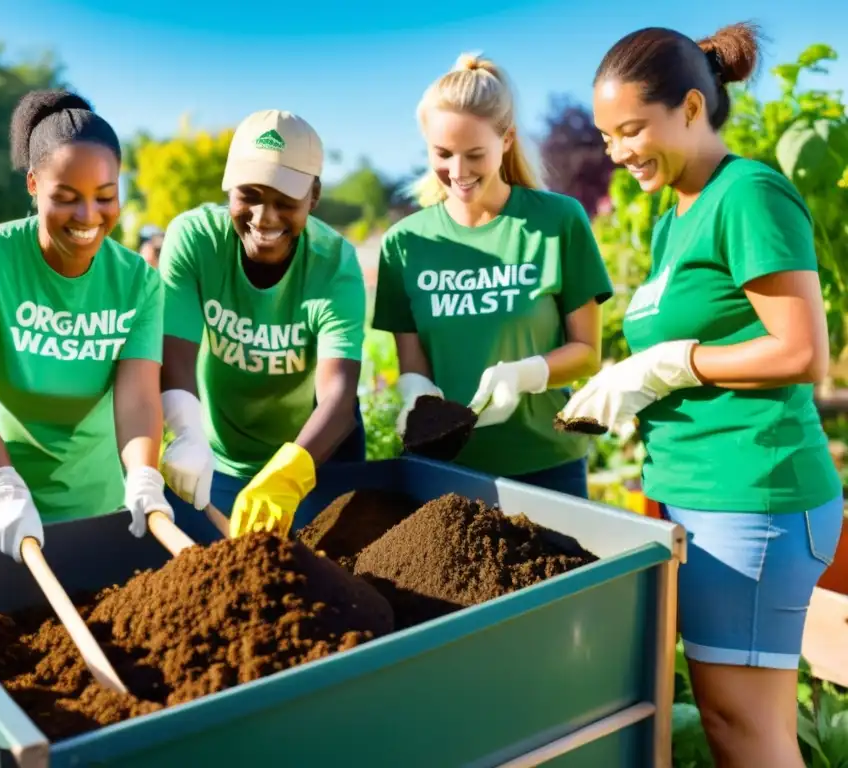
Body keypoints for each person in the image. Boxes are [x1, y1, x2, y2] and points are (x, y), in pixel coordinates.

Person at [559, 23, 842, 767]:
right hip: (696, 494)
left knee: (747, 734)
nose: (618, 151)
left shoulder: (747, 194)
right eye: (607, 136)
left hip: (753, 495)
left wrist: (673, 365)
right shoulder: (672, 214)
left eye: (632, 130)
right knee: (727, 724)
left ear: (690, 107)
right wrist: (627, 383)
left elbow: (802, 351)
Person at [0, 89, 173, 561]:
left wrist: (144, 476)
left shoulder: (138, 282)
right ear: (33, 184)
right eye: (66, 198)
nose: (88, 217)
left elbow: (139, 401)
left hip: (94, 509)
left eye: (105, 197)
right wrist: (1, 489)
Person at [372, 53, 613, 499]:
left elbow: (586, 353)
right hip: (446, 474)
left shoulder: (558, 222)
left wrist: (524, 374)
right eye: (442, 154)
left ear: (507, 140)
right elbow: (413, 361)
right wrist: (416, 394)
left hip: (548, 466)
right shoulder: (405, 244)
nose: (458, 172)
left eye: (475, 154)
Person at [157, 109, 367, 539]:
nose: (264, 217)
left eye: (285, 201)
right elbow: (172, 351)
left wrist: (289, 477)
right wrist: (184, 431)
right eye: (248, 194)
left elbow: (339, 395)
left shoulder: (334, 264)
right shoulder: (196, 241)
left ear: (314, 195)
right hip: (218, 456)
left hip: (314, 456)